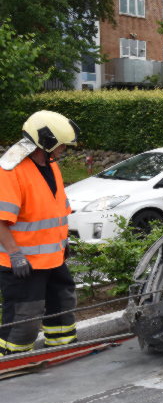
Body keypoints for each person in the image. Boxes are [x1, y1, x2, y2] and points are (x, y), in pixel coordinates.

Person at [0, 110, 80, 355]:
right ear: (45, 142)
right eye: (61, 146)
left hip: (53, 258)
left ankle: (62, 346)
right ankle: (11, 354)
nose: (63, 150)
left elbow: (55, 210)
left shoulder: (49, 165)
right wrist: (15, 255)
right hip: (23, 261)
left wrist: (63, 243)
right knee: (25, 315)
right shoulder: (10, 171)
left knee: (62, 303)